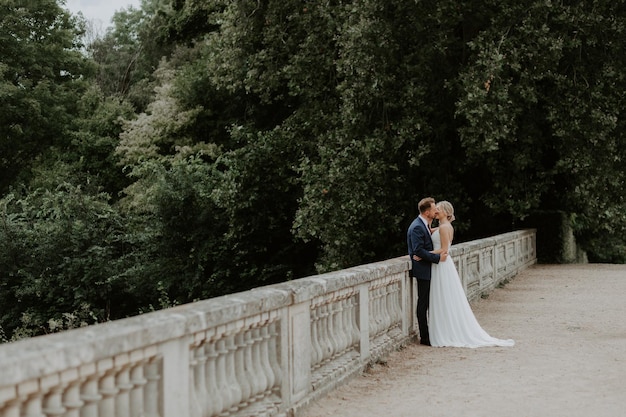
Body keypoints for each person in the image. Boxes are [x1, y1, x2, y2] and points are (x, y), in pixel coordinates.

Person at [426, 201, 514, 348]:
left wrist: (424, 254)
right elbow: (430, 232)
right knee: (444, 297)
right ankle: (445, 329)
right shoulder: (444, 226)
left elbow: (444, 250)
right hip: (442, 265)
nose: (436, 211)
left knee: (442, 296)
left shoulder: (444, 228)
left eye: (439, 209)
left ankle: (445, 332)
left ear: (446, 213)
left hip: (441, 264)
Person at [406, 197, 447, 346]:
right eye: (434, 208)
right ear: (427, 212)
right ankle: (425, 337)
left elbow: (426, 239)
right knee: (423, 303)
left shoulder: (423, 225)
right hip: (423, 269)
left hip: (426, 267)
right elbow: (418, 250)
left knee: (430, 302)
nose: (436, 210)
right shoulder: (417, 226)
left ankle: (432, 333)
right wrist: (437, 257)